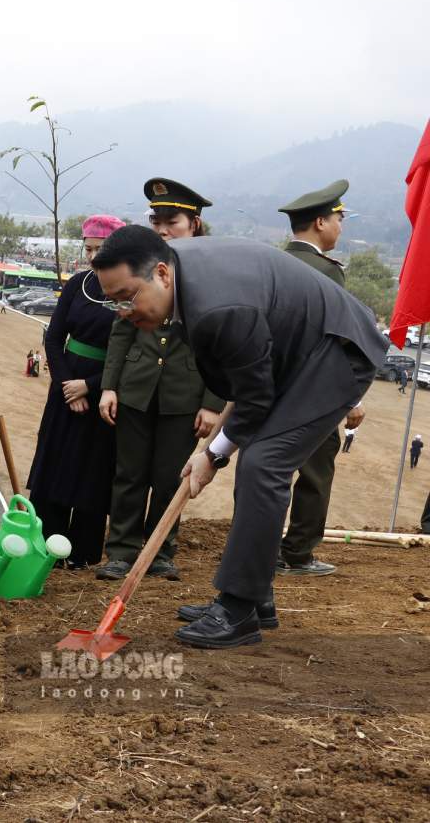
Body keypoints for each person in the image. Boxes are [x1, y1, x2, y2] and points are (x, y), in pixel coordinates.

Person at [92, 226, 382, 648]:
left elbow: (255, 398)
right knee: (260, 461)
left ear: (161, 273)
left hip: (337, 352)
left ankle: (238, 610)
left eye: (128, 296)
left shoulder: (217, 307)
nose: (123, 311)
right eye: (113, 301)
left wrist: (212, 455)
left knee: (265, 463)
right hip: (296, 348)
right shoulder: (179, 270)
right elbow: (244, 378)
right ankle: (257, 597)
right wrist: (212, 451)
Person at [96, 179, 225, 582]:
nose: (164, 229)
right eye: (157, 221)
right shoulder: (141, 264)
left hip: (185, 394)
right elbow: (122, 328)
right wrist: (110, 385)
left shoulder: (212, 271)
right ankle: (120, 550)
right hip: (136, 386)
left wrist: (212, 402)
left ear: (196, 224)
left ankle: (160, 551)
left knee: (172, 476)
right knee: (129, 473)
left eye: (173, 221)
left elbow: (223, 343)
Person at [25, 215, 125, 569]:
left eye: (102, 250)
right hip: (65, 390)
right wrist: (69, 385)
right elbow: (54, 337)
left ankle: (81, 555)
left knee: (92, 471)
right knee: (55, 464)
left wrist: (92, 386)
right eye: (89, 249)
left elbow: (131, 351)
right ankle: (43, 548)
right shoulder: (77, 285)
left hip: (106, 390)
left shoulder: (128, 291)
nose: (94, 257)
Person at [277, 180, 352, 576]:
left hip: (270, 390)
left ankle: (263, 548)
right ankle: (298, 553)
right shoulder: (326, 272)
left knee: (266, 473)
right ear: (321, 222)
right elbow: (338, 339)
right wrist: (352, 399)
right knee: (315, 474)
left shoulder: (272, 262)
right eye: (339, 219)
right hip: (314, 395)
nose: (341, 227)